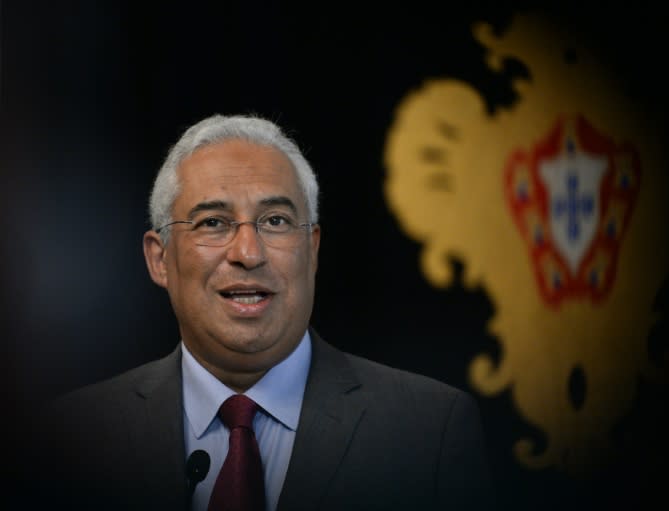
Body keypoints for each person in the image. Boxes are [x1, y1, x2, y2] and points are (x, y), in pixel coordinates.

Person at [41, 114, 496, 510]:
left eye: (275, 221)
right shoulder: (73, 438)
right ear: (160, 259)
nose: (247, 252)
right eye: (213, 223)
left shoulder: (427, 431)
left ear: (312, 250)